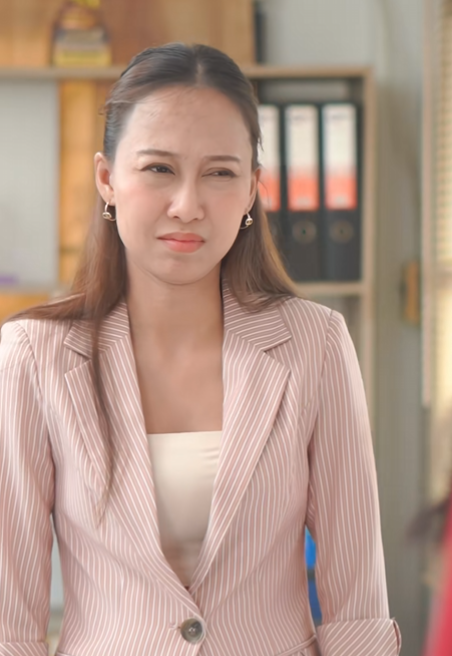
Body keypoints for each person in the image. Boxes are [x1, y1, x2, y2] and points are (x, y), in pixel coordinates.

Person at [0, 42, 401, 656]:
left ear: (252, 190)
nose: (187, 206)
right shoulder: (34, 356)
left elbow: (358, 608)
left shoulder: (314, 345)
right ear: (107, 179)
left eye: (220, 173)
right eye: (159, 169)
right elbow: (9, 622)